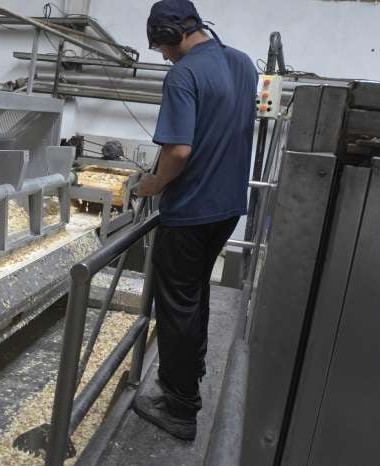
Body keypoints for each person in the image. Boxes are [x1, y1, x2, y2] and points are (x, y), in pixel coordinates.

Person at [131, 0, 258, 441]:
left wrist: (153, 184)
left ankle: (181, 408)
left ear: (173, 34)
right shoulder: (242, 63)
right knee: (195, 294)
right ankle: (189, 376)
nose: (162, 55)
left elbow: (179, 151)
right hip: (226, 207)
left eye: (160, 47)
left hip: (190, 211)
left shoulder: (183, 74)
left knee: (176, 306)